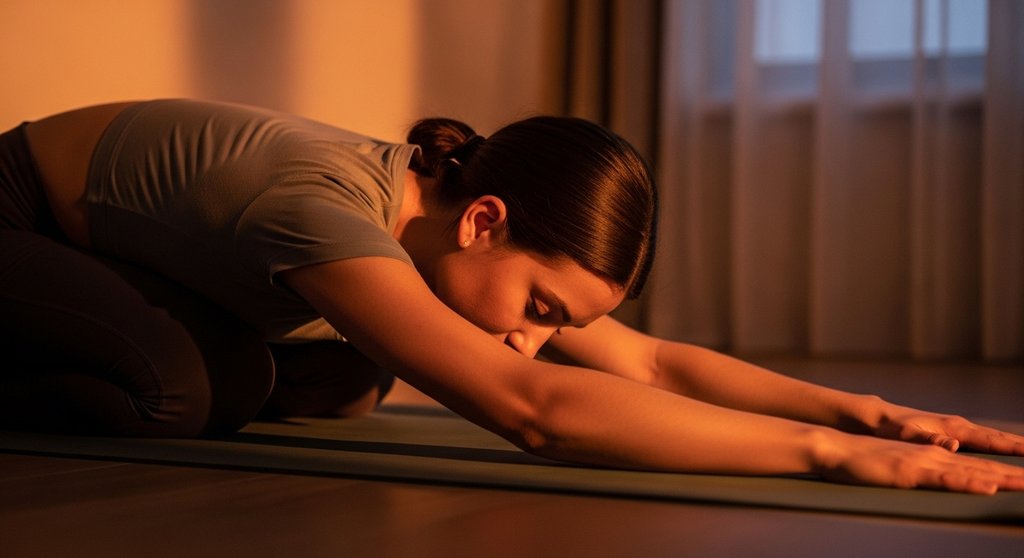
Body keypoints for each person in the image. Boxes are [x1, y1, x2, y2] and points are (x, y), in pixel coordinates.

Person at [1, 99, 1021, 495]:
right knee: (177, 390)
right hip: (15, 225)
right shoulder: (323, 212)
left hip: (117, 257)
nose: (536, 343)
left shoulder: (422, 220)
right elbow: (531, 414)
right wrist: (836, 458)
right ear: (485, 221)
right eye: (540, 308)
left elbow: (649, 362)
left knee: (350, 372)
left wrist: (878, 413)